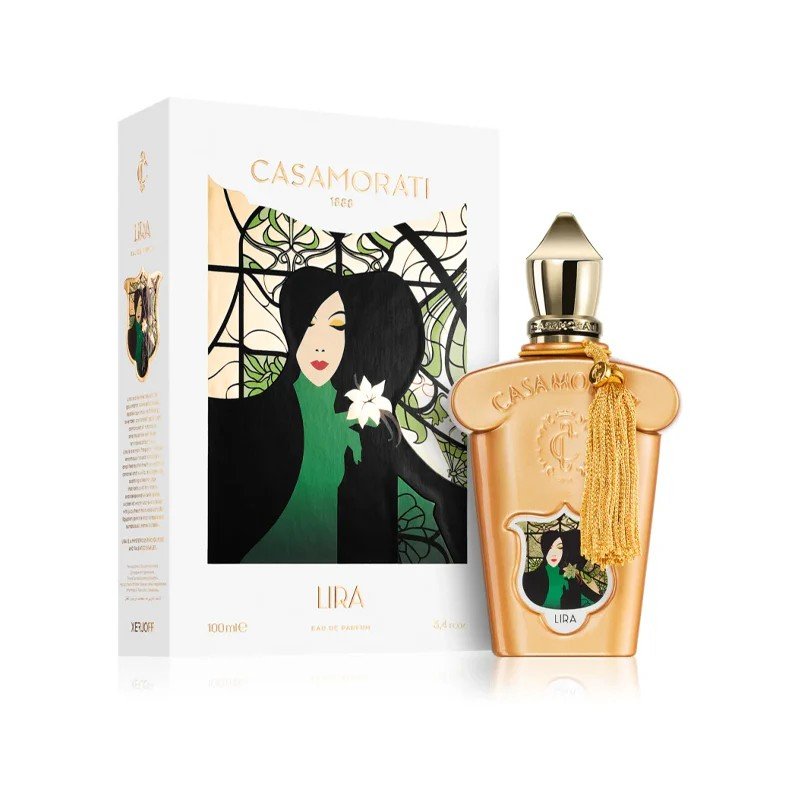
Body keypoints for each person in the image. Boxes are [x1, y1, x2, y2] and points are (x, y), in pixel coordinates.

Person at [208, 268, 466, 564]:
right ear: (294, 329)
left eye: (337, 326)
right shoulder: (262, 414)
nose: (320, 344)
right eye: (310, 324)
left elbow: (430, 486)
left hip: (343, 569)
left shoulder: (364, 411)